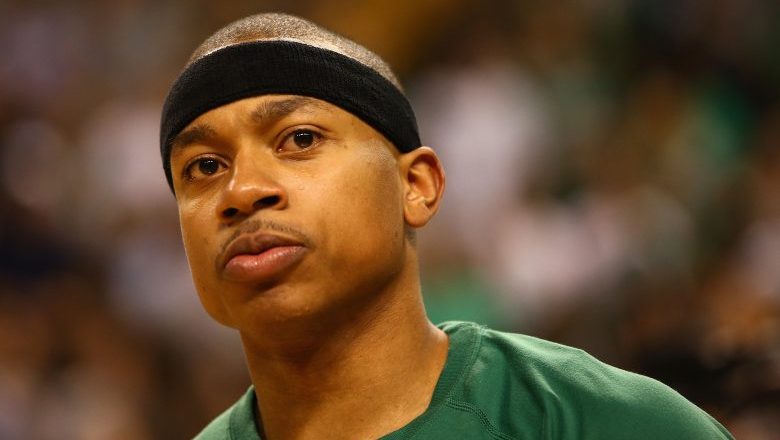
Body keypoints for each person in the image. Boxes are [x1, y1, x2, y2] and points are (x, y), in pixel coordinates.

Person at [159, 13, 734, 440]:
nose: (241, 191)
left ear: (417, 186)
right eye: (203, 167)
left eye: (300, 139)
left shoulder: (608, 424)